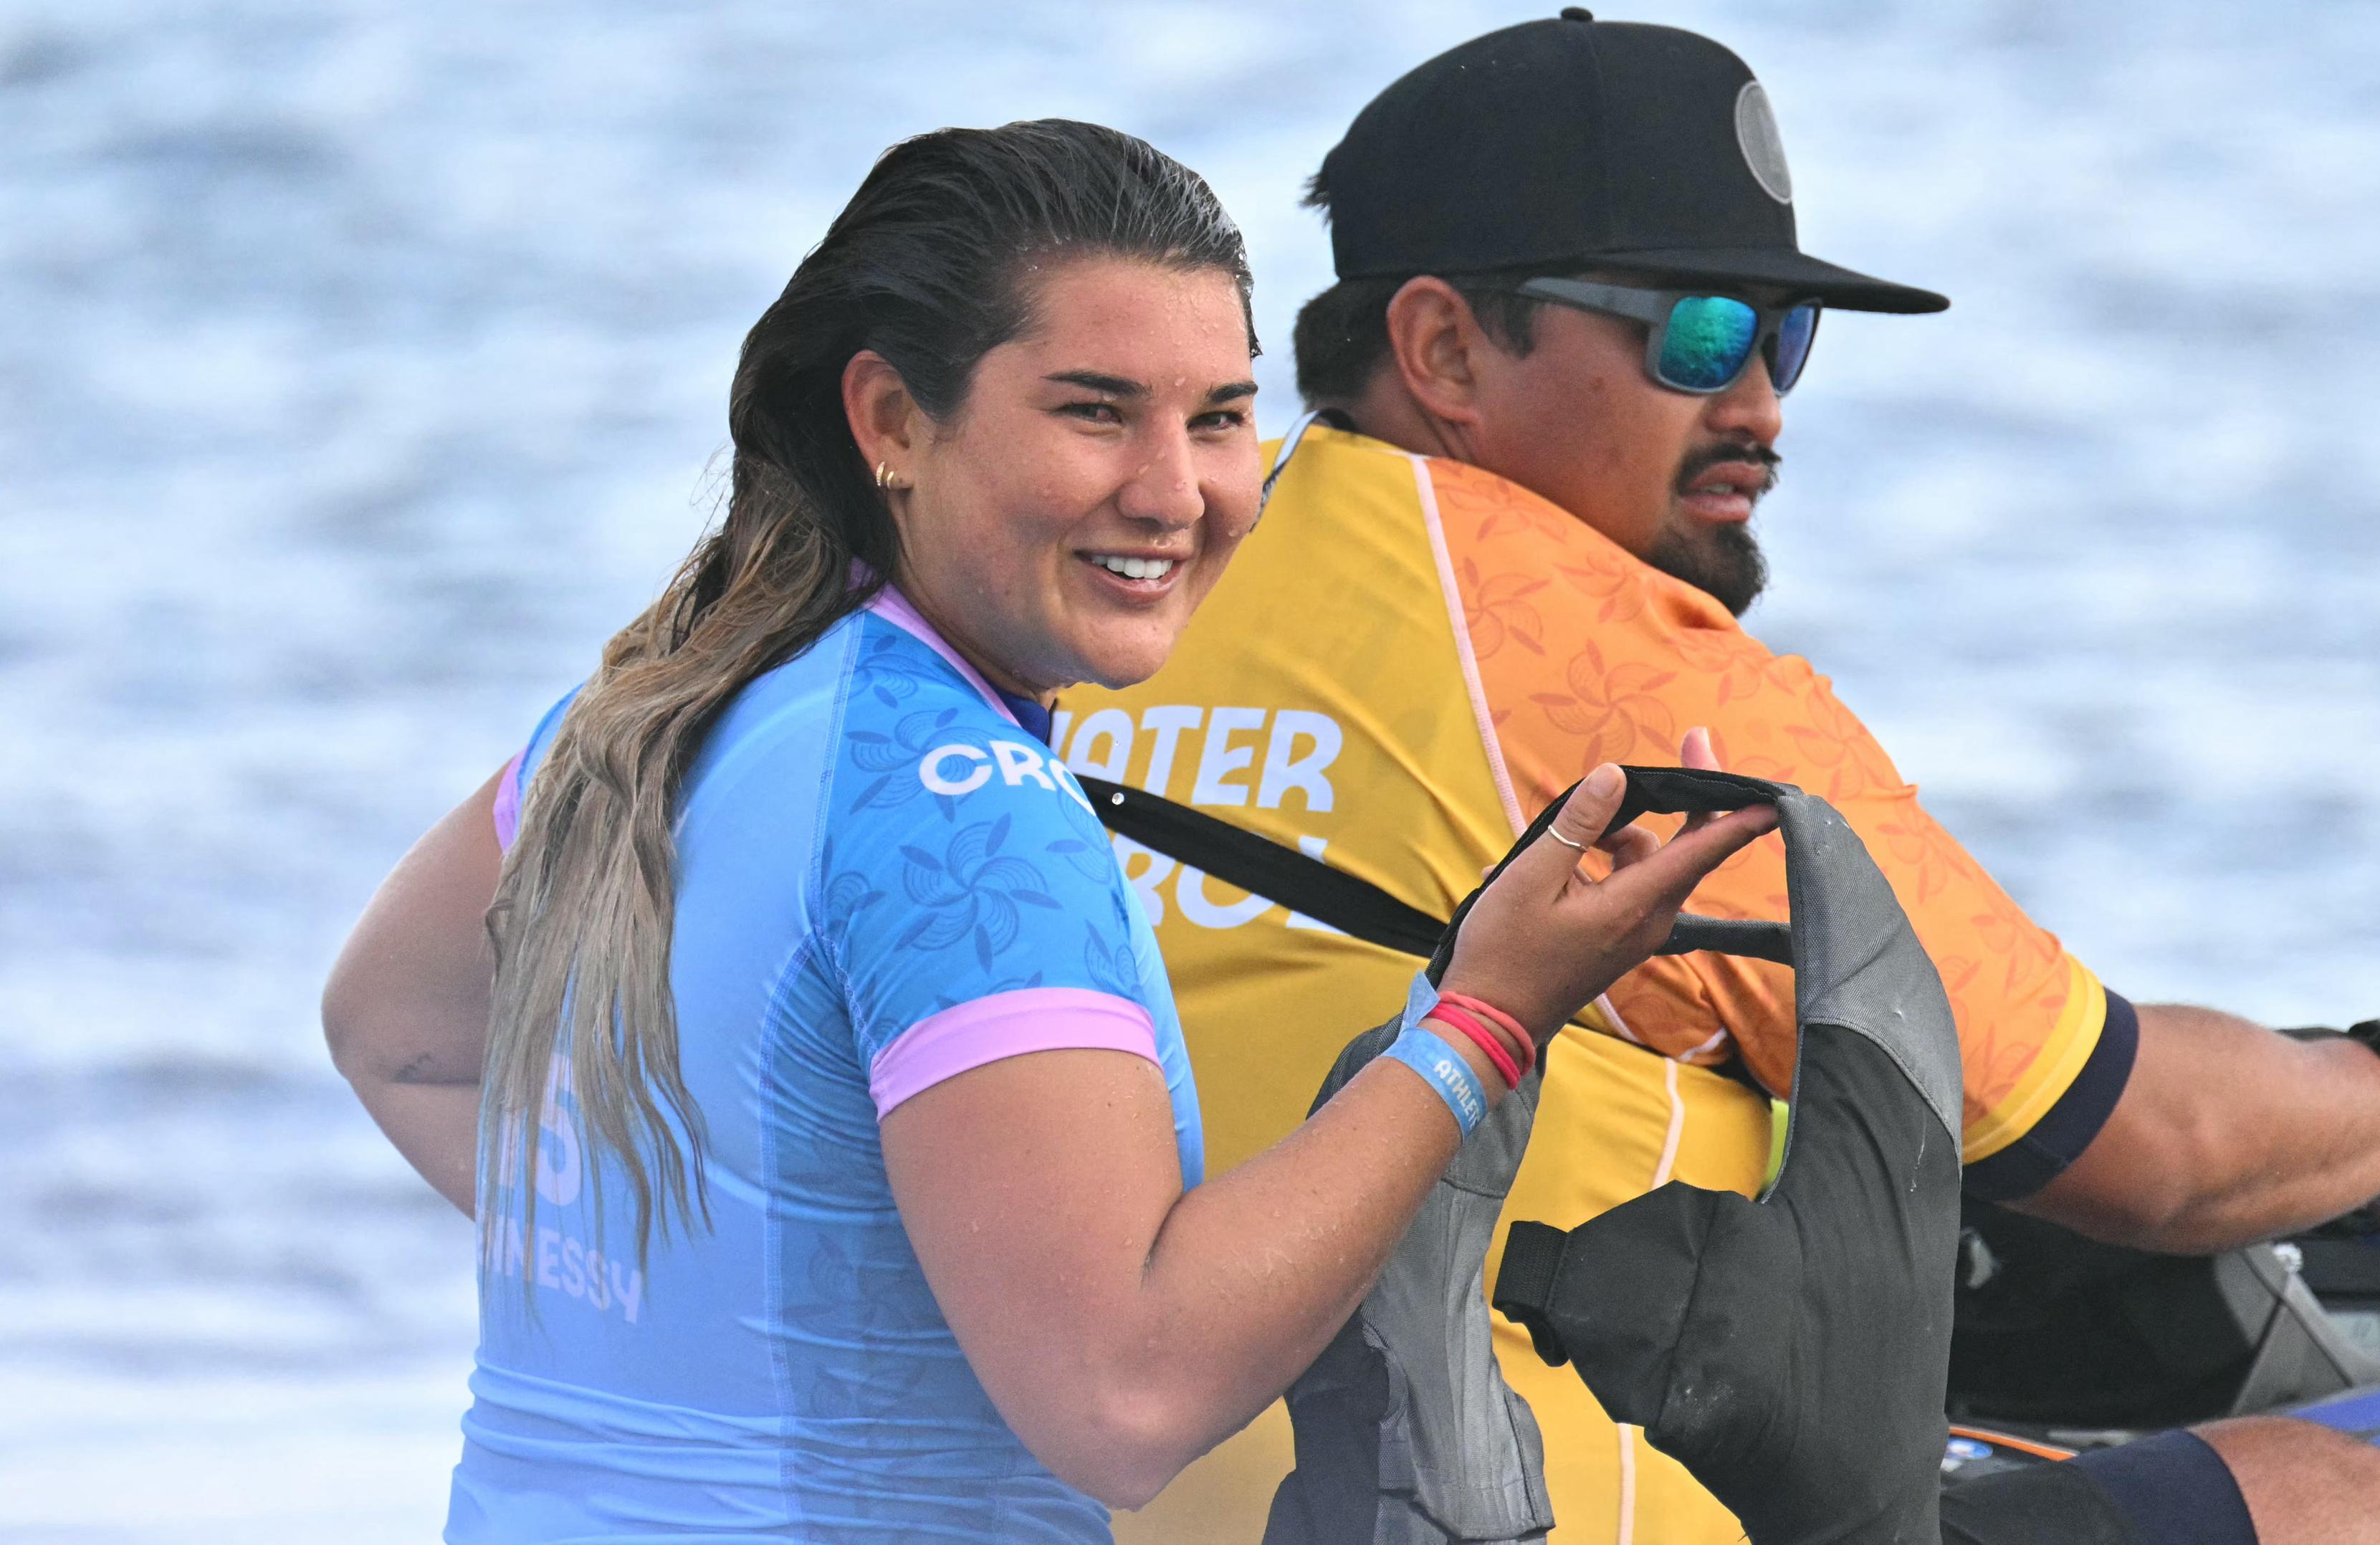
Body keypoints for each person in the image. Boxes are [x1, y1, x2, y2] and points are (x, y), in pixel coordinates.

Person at [1054, 14, 2380, 1545]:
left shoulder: (1133, 598)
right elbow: (2144, 1137)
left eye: (1785, 339)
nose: (1755, 403)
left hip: (1112, 1503)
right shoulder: (1618, 672)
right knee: (2347, 1503)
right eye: (1694, 333)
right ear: (1443, 348)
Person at [318, 121, 1780, 1542]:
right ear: (892, 418)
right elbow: (1124, 1400)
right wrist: (1483, 1020)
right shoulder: (966, 811)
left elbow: (397, 1032)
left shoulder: (665, 698)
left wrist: (772, 1291)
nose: (1174, 492)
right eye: (1094, 410)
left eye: (1218, 416)